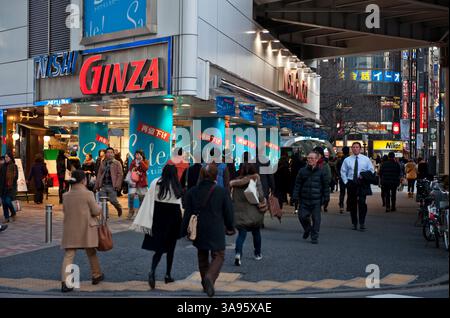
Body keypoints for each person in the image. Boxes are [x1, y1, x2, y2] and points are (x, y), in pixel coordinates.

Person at [181, 164, 235, 297]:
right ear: (216, 176)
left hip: (199, 228)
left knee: (202, 255)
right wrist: (230, 226)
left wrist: (182, 231)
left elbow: (187, 213)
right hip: (216, 227)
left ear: (201, 175)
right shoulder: (221, 191)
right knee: (219, 254)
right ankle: (210, 278)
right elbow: (228, 212)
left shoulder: (193, 191)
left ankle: (205, 284)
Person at [131, 163, 183, 290]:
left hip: (159, 217)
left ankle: (152, 271)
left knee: (159, 249)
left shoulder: (156, 182)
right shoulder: (176, 185)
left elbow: (149, 200)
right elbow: (179, 205)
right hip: (173, 218)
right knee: (171, 249)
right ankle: (167, 274)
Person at [60, 170, 104, 293]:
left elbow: (65, 211)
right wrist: (100, 207)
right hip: (86, 228)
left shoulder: (65, 195)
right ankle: (96, 275)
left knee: (69, 255)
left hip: (71, 229)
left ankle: (65, 283)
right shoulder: (88, 194)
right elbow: (95, 211)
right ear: (83, 180)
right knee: (91, 252)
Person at [230, 163, 265, 266]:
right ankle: (257, 254)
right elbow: (261, 196)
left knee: (241, 235)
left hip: (240, 213)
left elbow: (233, 198)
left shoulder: (235, 183)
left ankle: (238, 254)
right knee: (256, 233)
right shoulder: (255, 179)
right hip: (254, 212)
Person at [292, 152, 330, 244]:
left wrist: (326, 197)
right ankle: (308, 229)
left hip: (316, 200)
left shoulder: (322, 171)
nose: (310, 160)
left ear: (317, 160)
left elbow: (325, 186)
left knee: (316, 219)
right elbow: (297, 185)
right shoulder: (302, 171)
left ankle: (314, 237)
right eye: (308, 158)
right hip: (304, 199)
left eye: (312, 158)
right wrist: (295, 196)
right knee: (302, 217)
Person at [340, 142, 375, 231]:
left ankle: (362, 222)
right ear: (352, 149)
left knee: (362, 203)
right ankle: (354, 222)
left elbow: (371, 170)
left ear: (360, 149)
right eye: (354, 147)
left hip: (362, 183)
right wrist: (346, 182)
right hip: (351, 183)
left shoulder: (366, 159)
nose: (355, 149)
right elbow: (343, 171)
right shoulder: (347, 160)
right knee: (353, 204)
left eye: (357, 147)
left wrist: (364, 175)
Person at [94, 147, 124, 218]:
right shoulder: (103, 162)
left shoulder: (117, 163)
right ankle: (105, 215)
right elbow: (99, 174)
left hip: (112, 185)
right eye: (108, 152)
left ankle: (119, 209)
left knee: (113, 200)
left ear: (113, 154)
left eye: (111, 152)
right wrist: (97, 185)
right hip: (103, 185)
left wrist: (117, 185)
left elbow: (120, 174)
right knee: (103, 201)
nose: (109, 154)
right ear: (106, 154)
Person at [126, 150, 149, 220]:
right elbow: (130, 170)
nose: (137, 156)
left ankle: (140, 212)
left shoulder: (145, 161)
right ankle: (131, 211)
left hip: (142, 182)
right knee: (131, 196)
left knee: (141, 198)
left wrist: (141, 162)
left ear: (142, 155)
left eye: (139, 154)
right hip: (133, 181)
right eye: (136, 154)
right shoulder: (133, 162)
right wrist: (135, 169)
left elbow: (145, 169)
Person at [0, 152, 18, 223]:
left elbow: (16, 177)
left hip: (11, 188)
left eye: (7, 157)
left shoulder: (14, 166)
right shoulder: (2, 166)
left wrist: (10, 182)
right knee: (4, 202)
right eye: (5, 157)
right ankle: (6, 217)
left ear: (10, 158)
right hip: (3, 187)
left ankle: (13, 212)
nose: (6, 158)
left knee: (8, 201)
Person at [313, 147, 331, 212]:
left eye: (317, 153)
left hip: (323, 185)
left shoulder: (325, 164)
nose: (315, 155)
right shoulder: (311, 163)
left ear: (321, 155)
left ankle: (324, 206)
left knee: (326, 199)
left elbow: (329, 176)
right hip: (315, 186)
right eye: (314, 153)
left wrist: (326, 182)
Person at [336, 146, 350, 213]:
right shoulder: (351, 159)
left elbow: (337, 168)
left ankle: (341, 206)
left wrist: (339, 175)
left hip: (342, 178)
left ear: (343, 151)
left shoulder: (340, 159)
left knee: (342, 192)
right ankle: (348, 206)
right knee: (350, 192)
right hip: (350, 178)